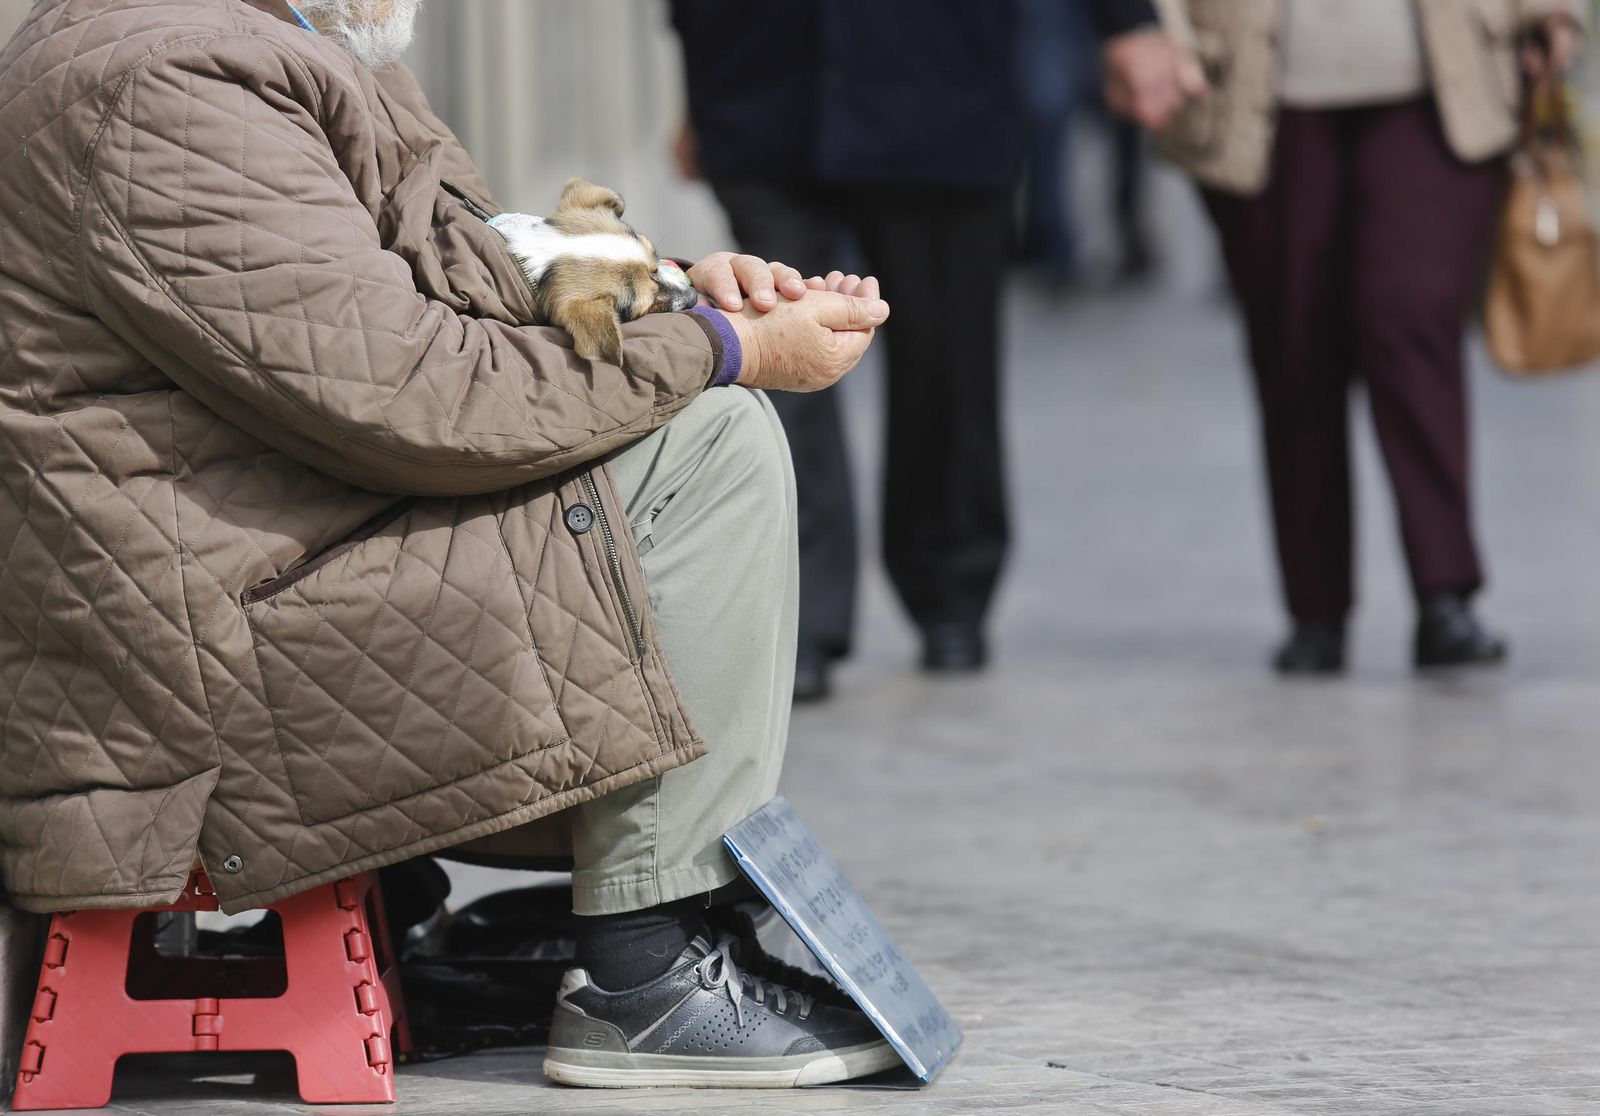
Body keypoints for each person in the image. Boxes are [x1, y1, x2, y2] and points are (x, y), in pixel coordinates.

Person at [0, 0, 904, 1089]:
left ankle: (652, 922)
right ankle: (647, 975)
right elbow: (416, 397)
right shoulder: (167, 84)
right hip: (191, 670)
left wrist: (665, 290)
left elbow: (458, 268)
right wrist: (722, 349)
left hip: (251, 569)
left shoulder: (275, 40)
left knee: (684, 412)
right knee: (706, 444)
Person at [671, 0, 1160, 700]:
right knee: (773, 359)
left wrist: (1127, 23)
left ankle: (951, 586)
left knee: (948, 363)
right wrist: (696, 83)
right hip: (760, 70)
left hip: (938, 78)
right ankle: (796, 616)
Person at [1102, 0, 1585, 674]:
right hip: (1252, 72)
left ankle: (1445, 589)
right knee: (1293, 337)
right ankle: (1315, 608)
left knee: (1409, 313)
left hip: (1448, 66)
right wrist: (1140, 26)